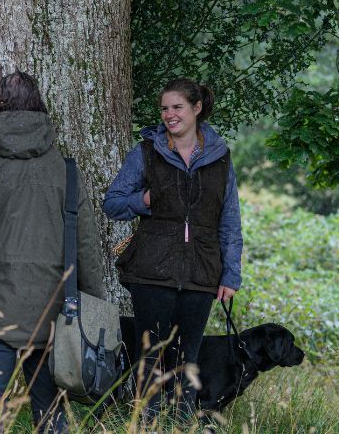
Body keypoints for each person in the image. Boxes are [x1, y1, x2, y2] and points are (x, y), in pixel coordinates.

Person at [0, 71, 105, 434]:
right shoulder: (66, 172)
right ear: (39, 106)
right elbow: (86, 248)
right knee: (51, 417)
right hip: (53, 317)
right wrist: (94, 316)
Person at [103, 78, 242, 422]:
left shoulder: (221, 158)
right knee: (149, 355)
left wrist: (231, 274)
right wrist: (144, 200)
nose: (169, 114)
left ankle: (179, 424)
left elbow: (230, 221)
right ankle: (144, 423)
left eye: (177, 107)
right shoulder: (146, 152)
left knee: (186, 358)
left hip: (202, 273)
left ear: (197, 108)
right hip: (151, 270)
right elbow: (113, 203)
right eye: (164, 108)